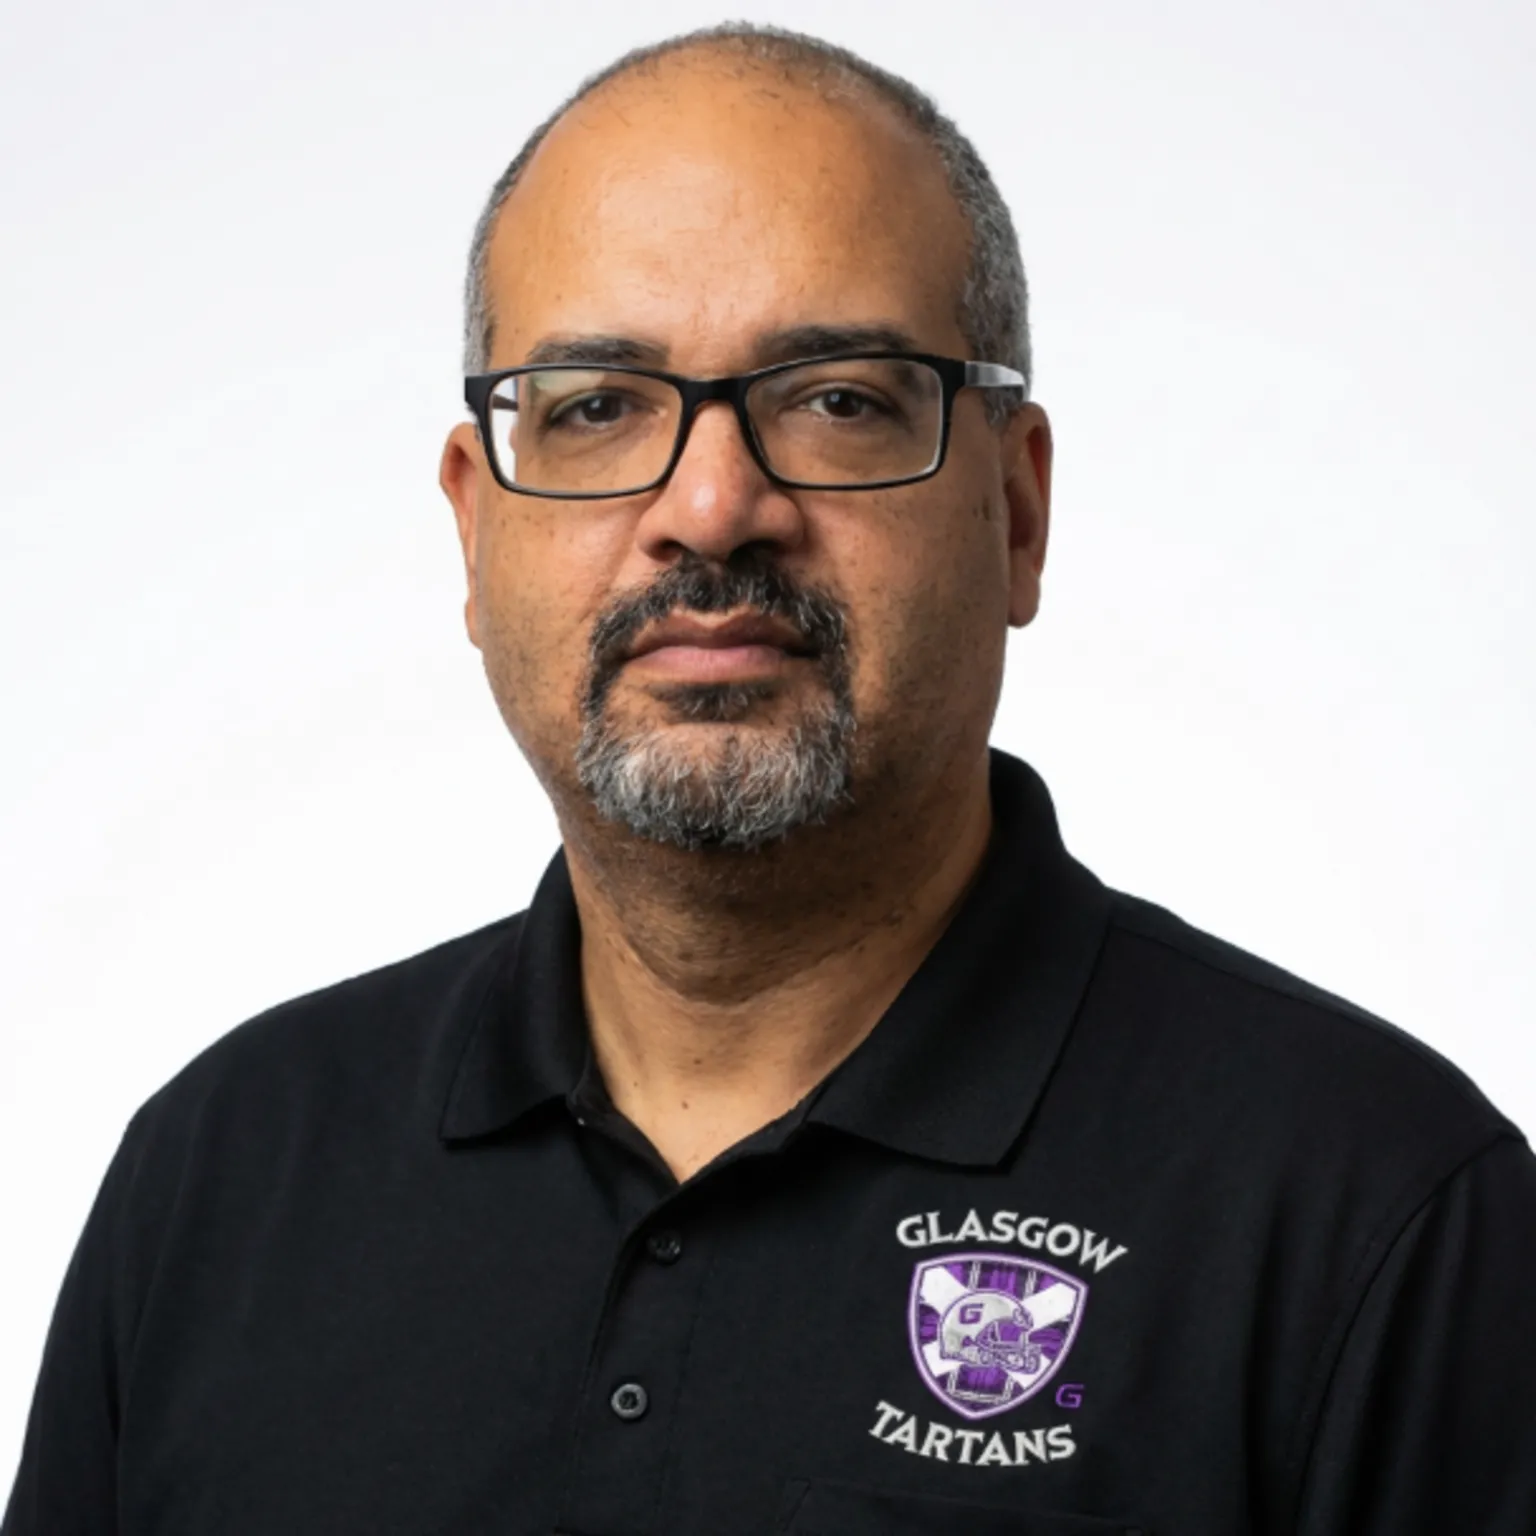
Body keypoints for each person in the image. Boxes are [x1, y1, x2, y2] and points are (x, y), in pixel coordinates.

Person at [6, 22, 1534, 1536]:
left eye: (839, 397)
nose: (713, 508)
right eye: (598, 403)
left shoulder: (1382, 1216)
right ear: (476, 535)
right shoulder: (220, 1180)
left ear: (1016, 511)